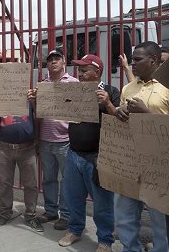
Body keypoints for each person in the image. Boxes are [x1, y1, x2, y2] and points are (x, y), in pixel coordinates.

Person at [57, 55, 119, 252]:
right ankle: (75, 230)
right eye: (79, 71)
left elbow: (121, 123)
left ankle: (105, 240)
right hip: (74, 153)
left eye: (84, 71)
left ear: (97, 71)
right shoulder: (74, 91)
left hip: (97, 157)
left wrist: (108, 103)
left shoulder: (110, 91)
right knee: (73, 197)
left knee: (102, 202)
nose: (80, 74)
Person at [115, 41, 169, 252]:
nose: (132, 64)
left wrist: (147, 113)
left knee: (160, 220)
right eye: (133, 60)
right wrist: (119, 113)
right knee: (125, 216)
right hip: (129, 161)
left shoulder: (166, 88)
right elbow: (122, 120)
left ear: (154, 60)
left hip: (158, 164)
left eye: (137, 60)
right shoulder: (128, 88)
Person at [31, 49, 78, 231]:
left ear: (64, 61)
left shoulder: (74, 83)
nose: (53, 62)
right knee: (49, 179)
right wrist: (34, 100)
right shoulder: (42, 85)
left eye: (57, 58)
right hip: (45, 139)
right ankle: (51, 211)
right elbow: (37, 114)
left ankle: (66, 215)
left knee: (67, 180)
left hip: (65, 140)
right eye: (50, 60)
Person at [0, 106, 43, 232]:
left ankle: (30, 215)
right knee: (4, 183)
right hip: (5, 148)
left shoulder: (30, 98)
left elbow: (38, 118)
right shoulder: (2, 97)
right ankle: (5, 214)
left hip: (27, 148)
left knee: (31, 184)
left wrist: (37, 140)